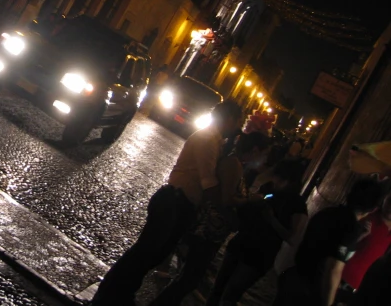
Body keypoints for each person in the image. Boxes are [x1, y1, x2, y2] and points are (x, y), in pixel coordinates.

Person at [91, 100, 245, 306]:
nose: (238, 129)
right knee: (144, 253)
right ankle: (108, 296)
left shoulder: (215, 141)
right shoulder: (207, 139)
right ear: (230, 119)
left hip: (180, 204)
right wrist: (228, 205)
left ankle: (120, 294)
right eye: (238, 122)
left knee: (151, 255)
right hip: (174, 202)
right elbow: (208, 182)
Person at [149, 130, 271, 305]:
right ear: (255, 150)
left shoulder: (237, 164)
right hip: (207, 230)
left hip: (211, 231)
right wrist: (250, 199)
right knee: (189, 279)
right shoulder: (233, 165)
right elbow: (226, 198)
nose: (264, 160)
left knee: (188, 278)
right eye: (264, 154)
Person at [205, 157, 308, 306]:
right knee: (218, 288)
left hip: (260, 255)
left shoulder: (298, 206)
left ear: (290, 180)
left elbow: (292, 238)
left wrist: (271, 219)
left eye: (280, 178)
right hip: (240, 244)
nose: (276, 181)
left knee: (231, 293)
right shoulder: (269, 190)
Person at [273, 178, 384, 306]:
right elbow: (333, 269)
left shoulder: (327, 213)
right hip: (308, 291)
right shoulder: (350, 227)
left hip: (293, 278)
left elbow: (327, 245)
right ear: (374, 208)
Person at [336, 191, 391, 302]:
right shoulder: (368, 216)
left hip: (362, 288)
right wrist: (360, 235)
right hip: (340, 275)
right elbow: (341, 243)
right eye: (390, 201)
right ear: (385, 200)